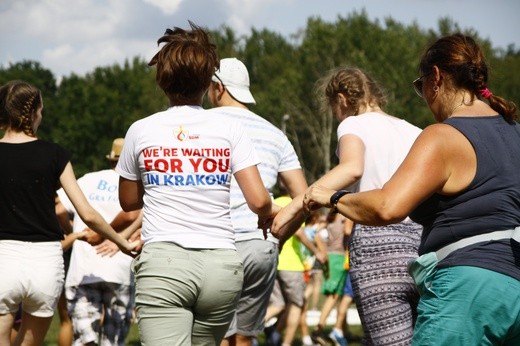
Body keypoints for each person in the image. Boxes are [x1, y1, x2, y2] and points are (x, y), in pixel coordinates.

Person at [297, 33, 520, 345]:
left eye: (421, 86)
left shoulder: (443, 135)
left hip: (465, 289)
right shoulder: (515, 132)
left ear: (437, 78)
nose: (425, 98)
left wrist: (332, 197)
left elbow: (387, 206)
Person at [116, 22, 276, 345]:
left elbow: (129, 201)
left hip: (165, 266)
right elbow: (259, 200)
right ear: (208, 82)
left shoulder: (140, 130)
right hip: (222, 268)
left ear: (162, 80)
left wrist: (165, 177)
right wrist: (265, 215)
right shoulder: (230, 129)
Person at [272, 67, 423, 345]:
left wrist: (296, 206)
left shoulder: (353, 124)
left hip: (378, 248)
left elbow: (352, 168)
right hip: (421, 245)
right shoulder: (414, 131)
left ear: (342, 100)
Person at [0, 80, 137, 346]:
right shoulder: (55, 154)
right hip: (46, 263)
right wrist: (121, 242)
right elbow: (88, 213)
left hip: (3, 258)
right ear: (35, 113)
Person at [206, 57, 309, 346]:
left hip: (216, 243)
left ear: (219, 88)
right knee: (245, 336)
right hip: (260, 245)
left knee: (218, 336)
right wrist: (280, 237)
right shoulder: (275, 134)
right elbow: (304, 199)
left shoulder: (203, 123)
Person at [57, 137, 141, 346]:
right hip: (120, 269)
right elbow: (136, 216)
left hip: (84, 269)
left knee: (85, 340)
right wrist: (119, 238)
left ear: (111, 159)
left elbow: (58, 209)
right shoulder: (136, 186)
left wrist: (75, 233)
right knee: (112, 342)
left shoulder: (88, 180)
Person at [264, 195, 326, 346]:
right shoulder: (294, 203)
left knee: (279, 305)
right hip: (291, 265)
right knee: (296, 305)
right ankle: (285, 343)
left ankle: (251, 331)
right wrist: (316, 251)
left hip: (275, 261)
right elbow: (298, 232)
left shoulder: (275, 201)